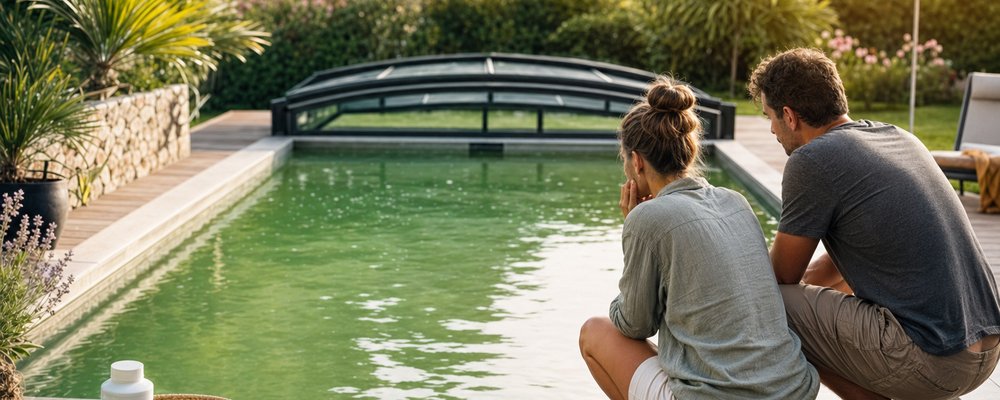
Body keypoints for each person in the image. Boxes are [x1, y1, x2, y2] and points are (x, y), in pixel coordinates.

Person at [749, 48, 1000, 399]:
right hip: (986, 349)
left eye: (770, 117)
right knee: (803, 306)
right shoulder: (897, 136)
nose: (773, 129)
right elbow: (856, 256)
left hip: (935, 361)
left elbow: (779, 278)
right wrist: (813, 296)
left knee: (769, 304)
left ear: (789, 116)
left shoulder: (812, 161)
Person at [578, 76, 819, 399]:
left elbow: (634, 324)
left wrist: (633, 224)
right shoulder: (736, 201)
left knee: (595, 332)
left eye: (625, 159)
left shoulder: (647, 219)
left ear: (636, 161)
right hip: (793, 390)